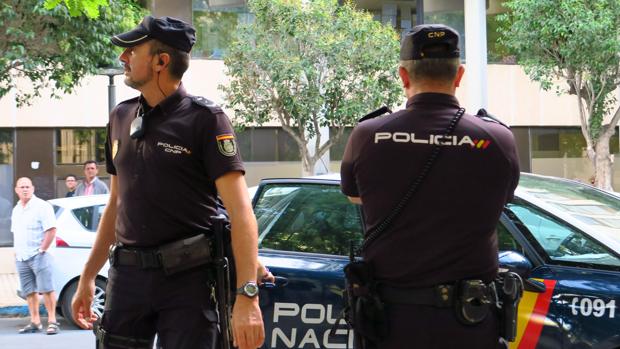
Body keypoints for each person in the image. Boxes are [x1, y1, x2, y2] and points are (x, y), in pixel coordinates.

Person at [71, 16, 267, 349]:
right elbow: (116, 204)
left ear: (162, 61)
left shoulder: (205, 120)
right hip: (128, 278)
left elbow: (240, 212)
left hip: (189, 281)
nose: (123, 58)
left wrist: (247, 296)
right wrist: (88, 277)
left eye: (132, 51)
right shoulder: (120, 117)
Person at [340, 24, 520, 349]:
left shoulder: (368, 135)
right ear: (459, 75)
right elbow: (503, 199)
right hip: (469, 322)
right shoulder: (498, 139)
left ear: (404, 76)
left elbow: (355, 196)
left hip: (390, 324)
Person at [11, 177, 60, 335]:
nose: (25, 189)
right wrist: (16, 252)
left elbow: (51, 230)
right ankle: (35, 321)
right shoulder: (16, 209)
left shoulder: (42, 206)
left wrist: (42, 250)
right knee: (29, 292)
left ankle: (52, 321)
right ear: (16, 190)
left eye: (27, 186)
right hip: (22, 258)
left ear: (32, 188)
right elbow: (16, 232)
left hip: (40, 255)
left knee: (47, 289)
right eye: (22, 187)